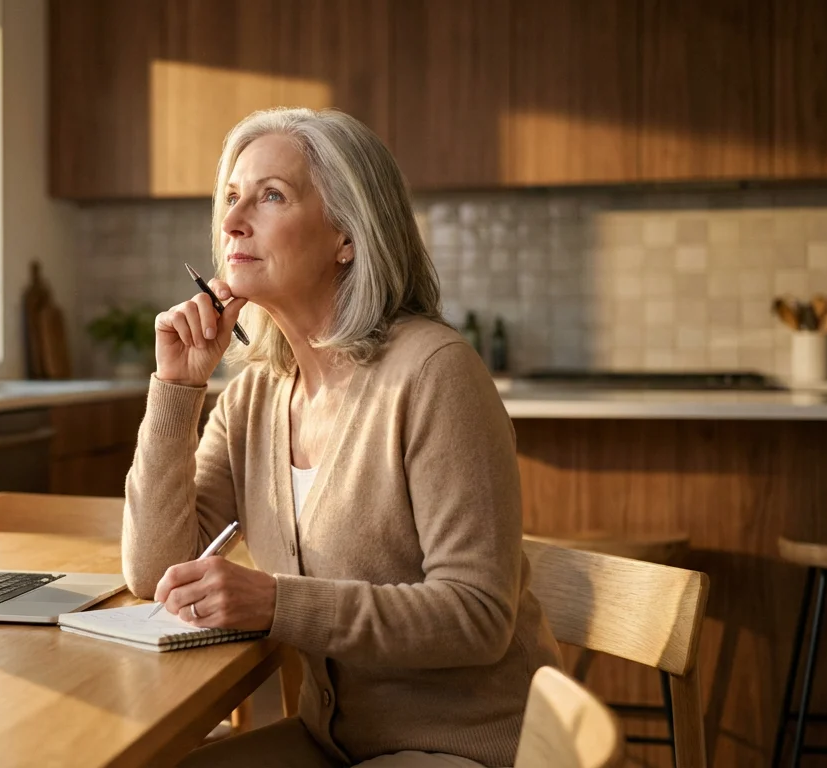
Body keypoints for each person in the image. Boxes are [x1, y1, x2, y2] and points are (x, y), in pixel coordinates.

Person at [123, 108, 561, 768]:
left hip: (463, 749)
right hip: (335, 745)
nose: (234, 219)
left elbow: (476, 617)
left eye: (271, 196)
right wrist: (176, 390)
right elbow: (154, 571)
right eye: (233, 196)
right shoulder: (253, 399)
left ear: (347, 237)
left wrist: (277, 603)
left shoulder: (435, 374)